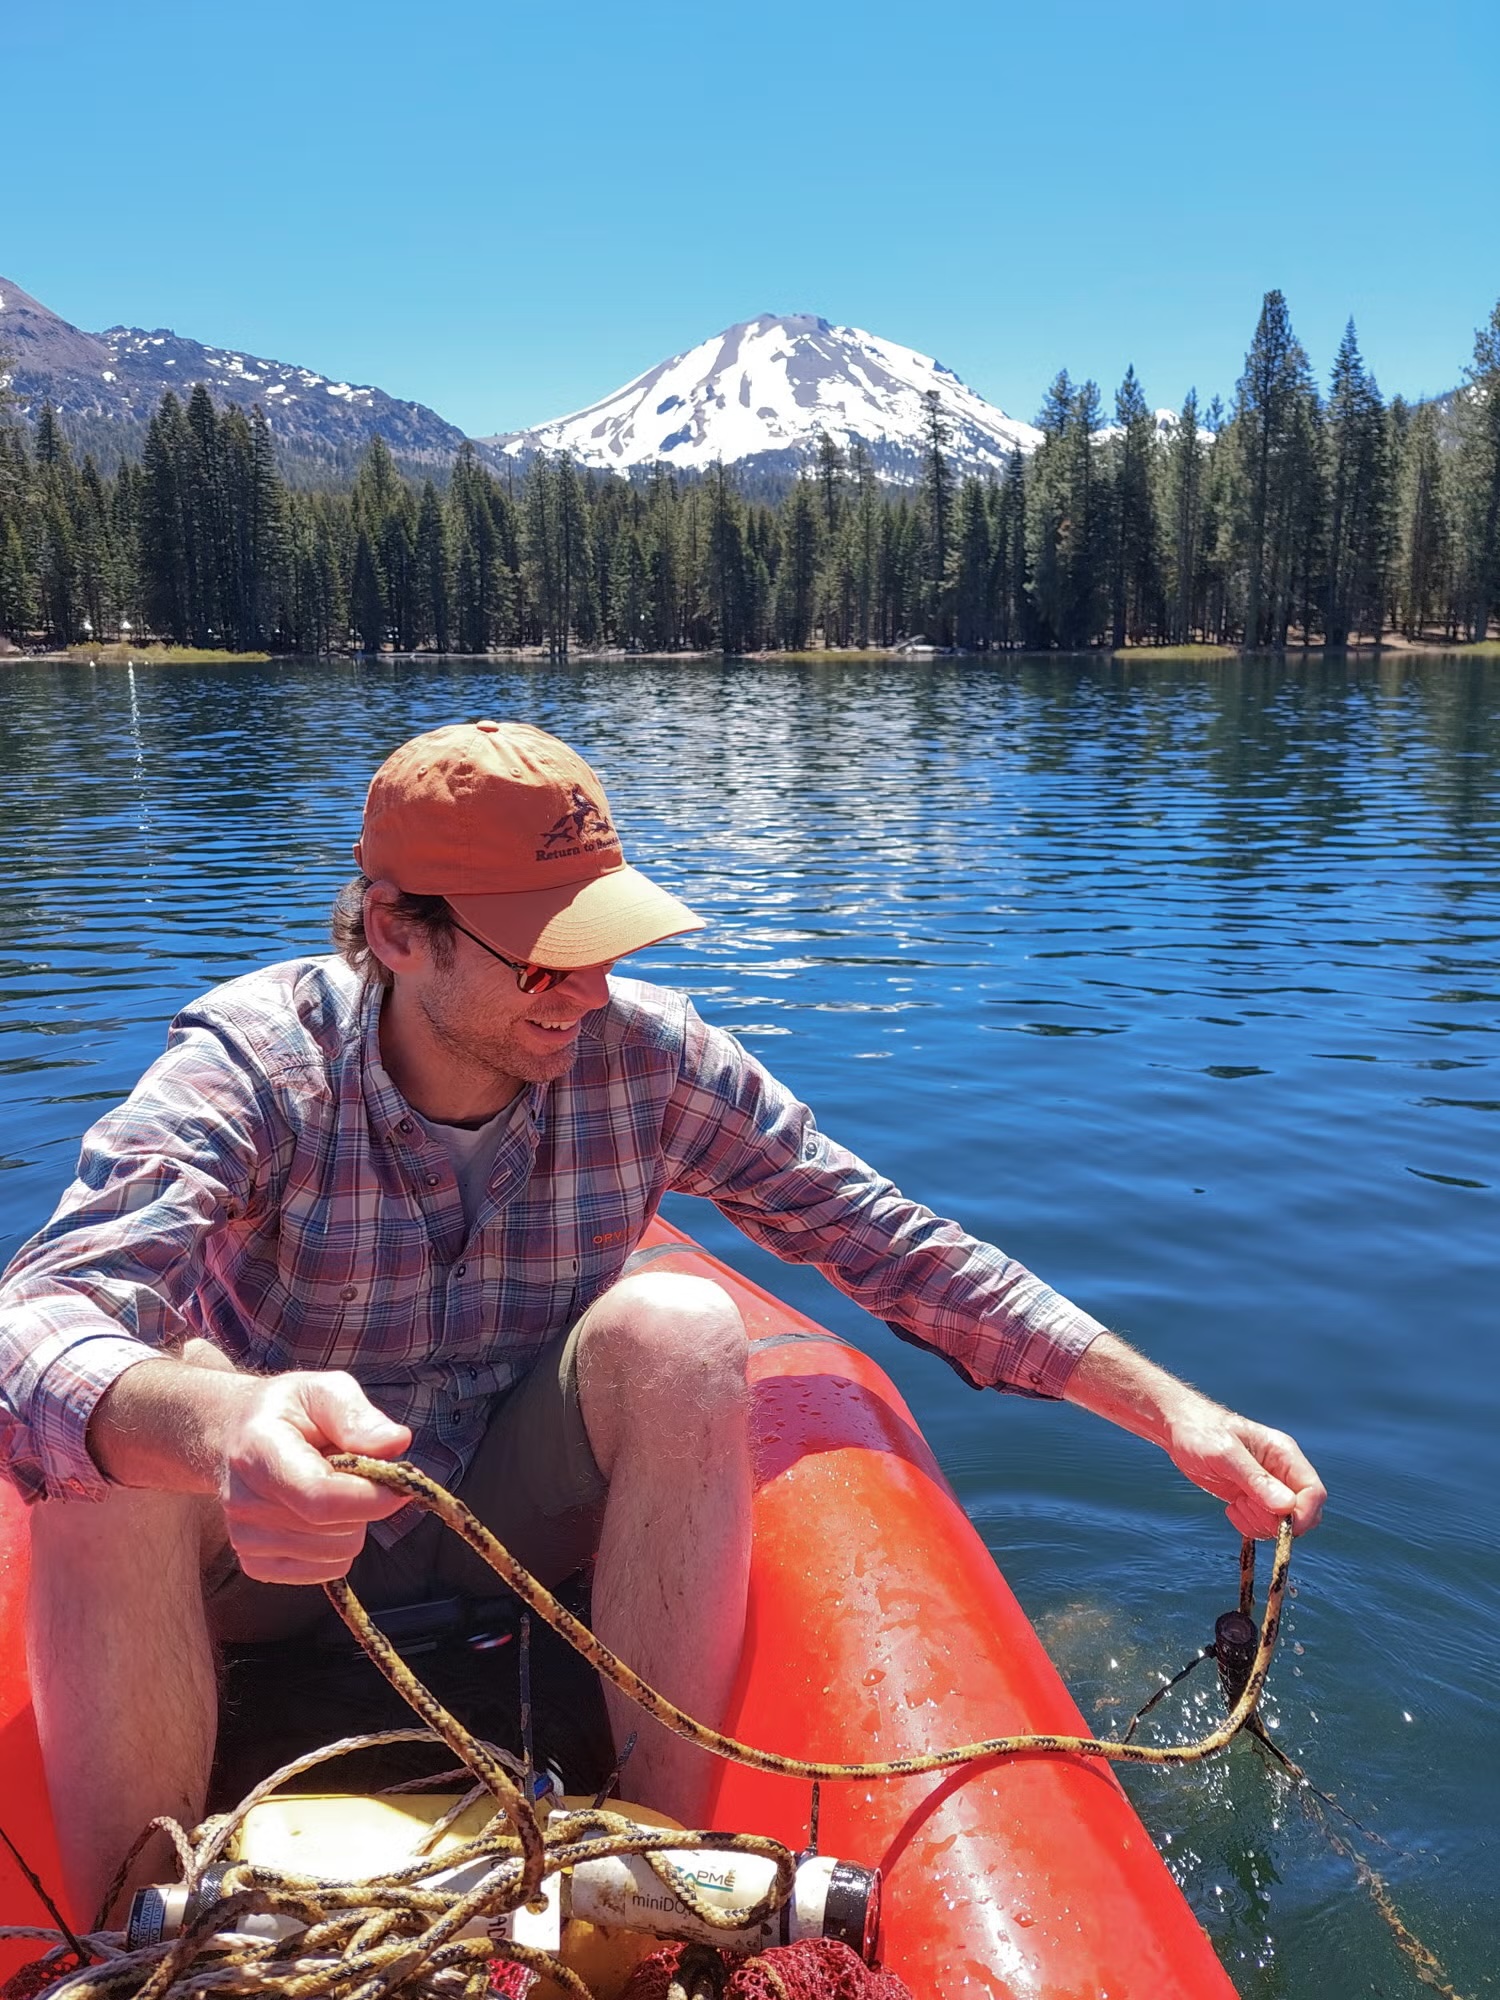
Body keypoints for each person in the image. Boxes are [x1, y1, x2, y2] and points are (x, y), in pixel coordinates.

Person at [0, 720, 1326, 1926]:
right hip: (276, 1561)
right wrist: (227, 1423)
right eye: (541, 958)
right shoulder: (256, 1067)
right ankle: (136, 1935)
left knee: (684, 1328)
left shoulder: (649, 1058)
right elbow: (41, 1321)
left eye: (603, 944)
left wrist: (1174, 1413)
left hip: (504, 1522)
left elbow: (887, 1239)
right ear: (399, 932)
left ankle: (661, 1875)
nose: (584, 994)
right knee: (107, 1432)